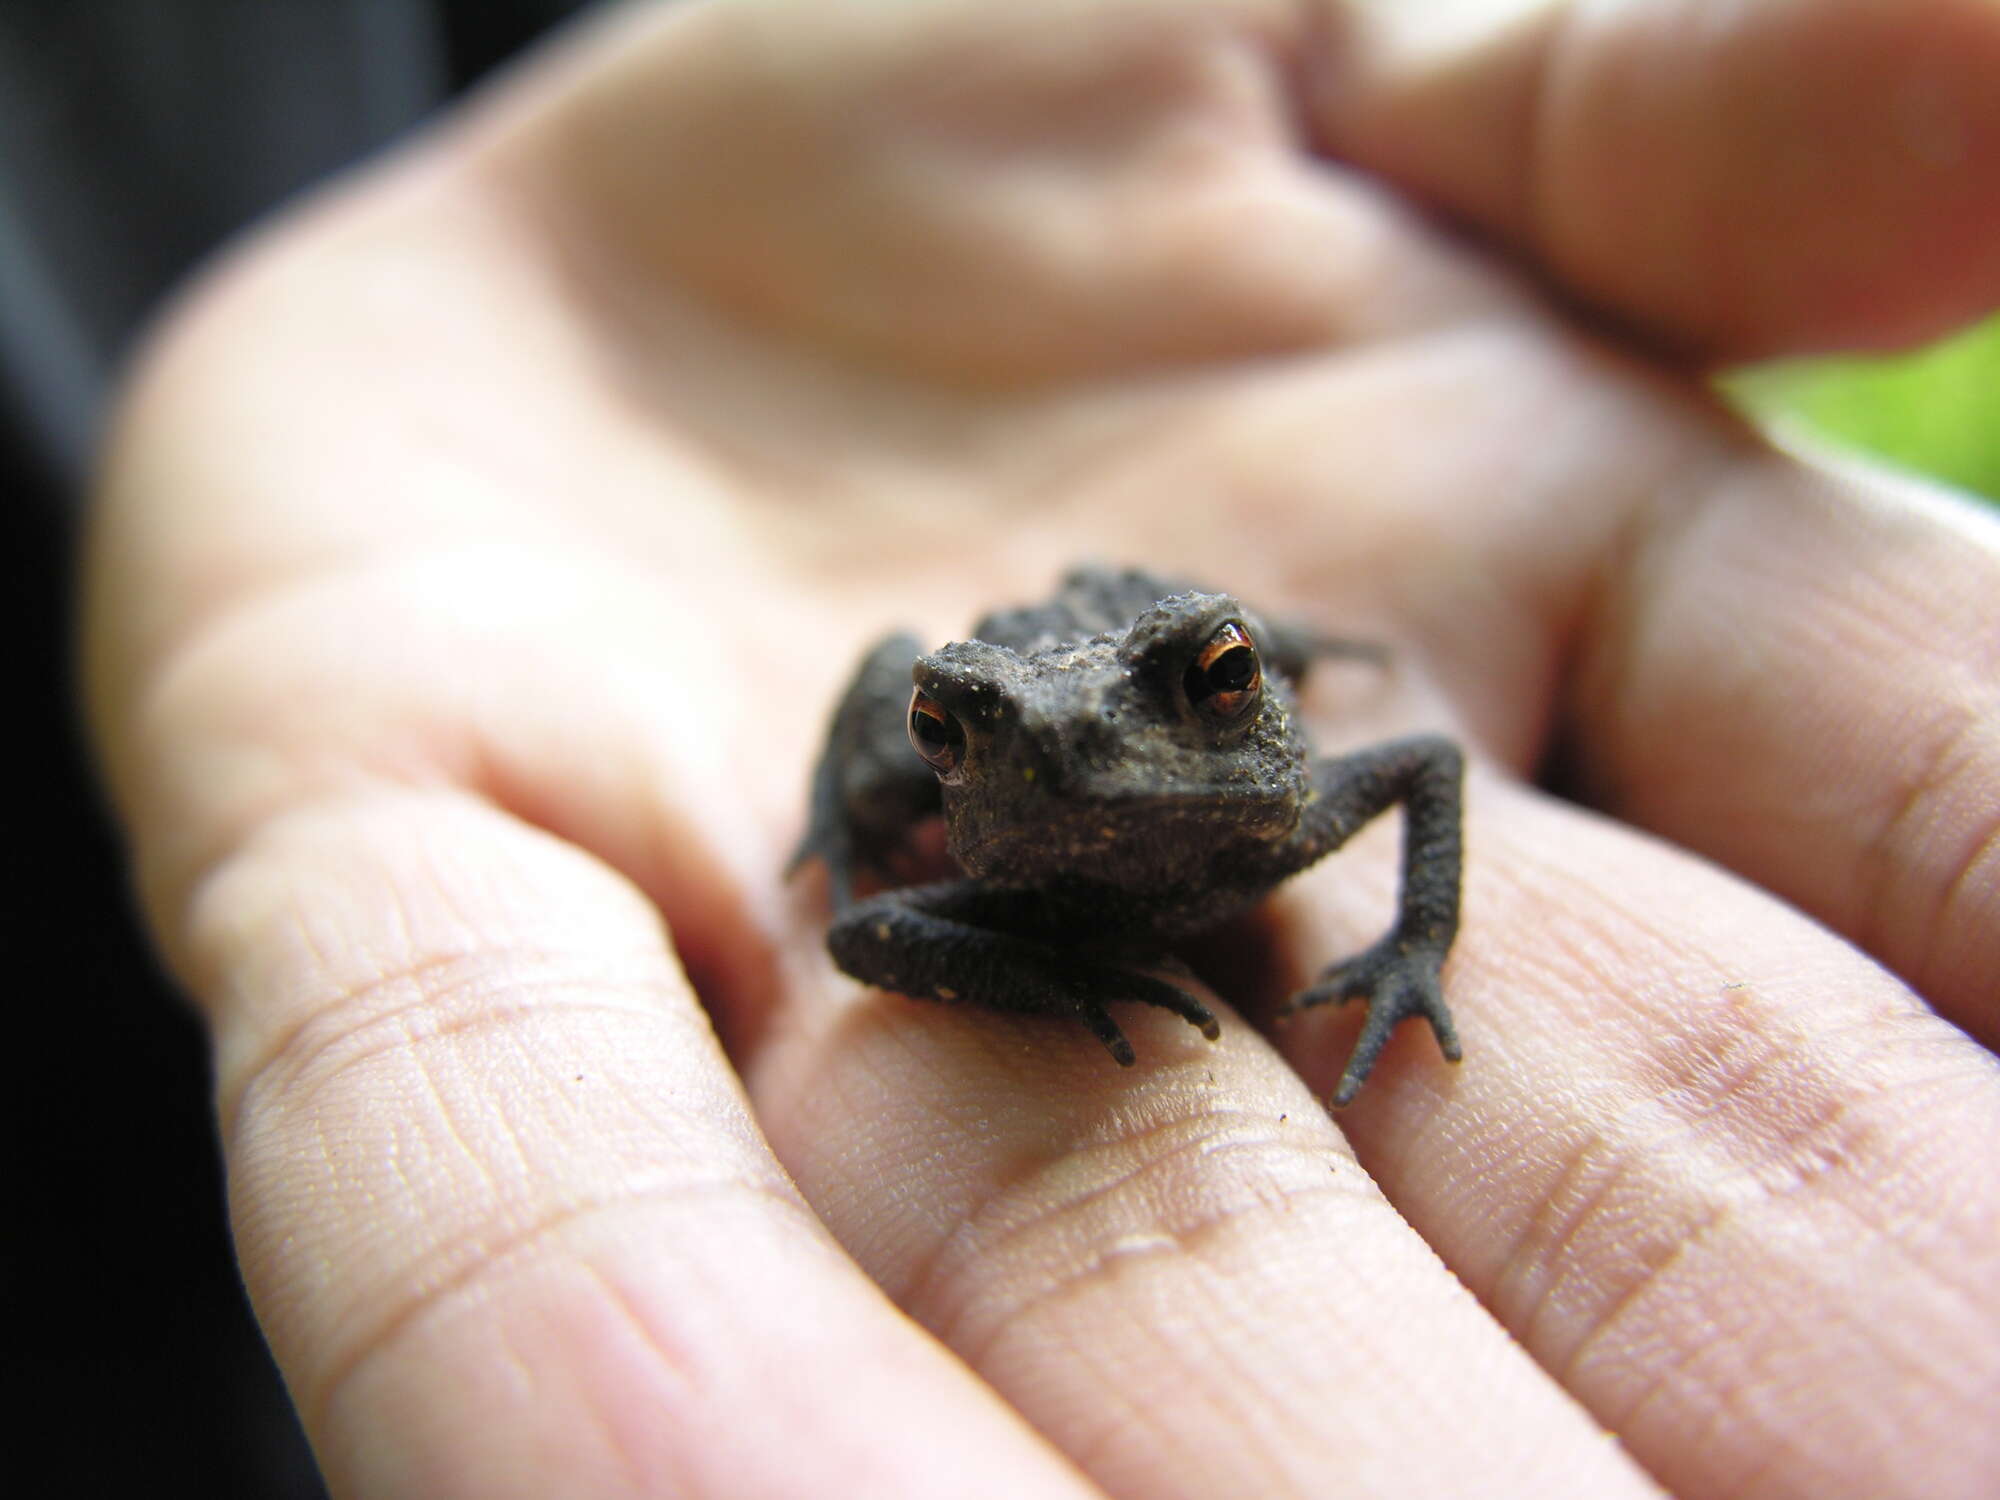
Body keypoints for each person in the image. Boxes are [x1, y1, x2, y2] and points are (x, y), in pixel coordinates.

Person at [83, 2, 2000, 1496]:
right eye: (953, 744)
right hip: (138, 1365)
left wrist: (1410, 947)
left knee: (1153, 630)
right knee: (968, 684)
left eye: (1226, 679)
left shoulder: (1284, 795)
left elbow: (1413, 773)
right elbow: (862, 937)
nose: (1097, 750)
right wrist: (893, 825)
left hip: (1141, 694)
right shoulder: (975, 830)